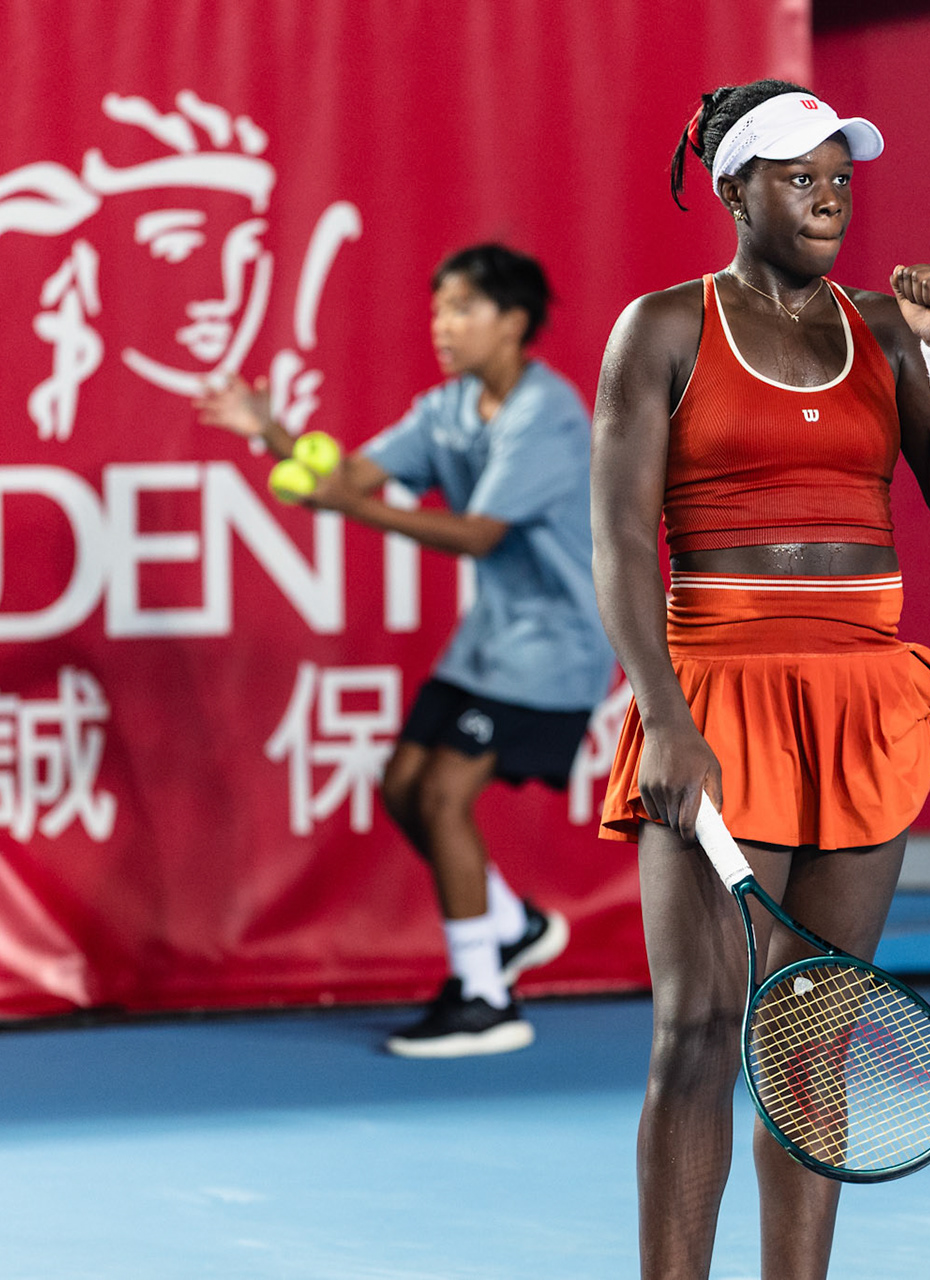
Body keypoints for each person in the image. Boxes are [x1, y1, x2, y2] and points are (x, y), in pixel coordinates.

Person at [590, 81, 930, 1278]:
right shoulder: (663, 329)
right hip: (715, 698)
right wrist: (662, 715)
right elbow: (619, 540)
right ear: (734, 187)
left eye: (840, 175)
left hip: (863, 701)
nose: (828, 194)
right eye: (797, 173)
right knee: (702, 1031)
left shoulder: (886, 327)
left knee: (814, 1036)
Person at [196, 243, 614, 1058]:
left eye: (463, 308)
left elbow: (475, 533)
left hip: (557, 645)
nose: (444, 325)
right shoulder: (447, 410)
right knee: (401, 786)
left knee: (444, 796)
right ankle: (510, 923)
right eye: (438, 309)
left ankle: (486, 998)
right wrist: (272, 434)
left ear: (514, 322)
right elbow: (349, 477)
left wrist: (347, 509)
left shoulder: (548, 415)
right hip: (491, 641)